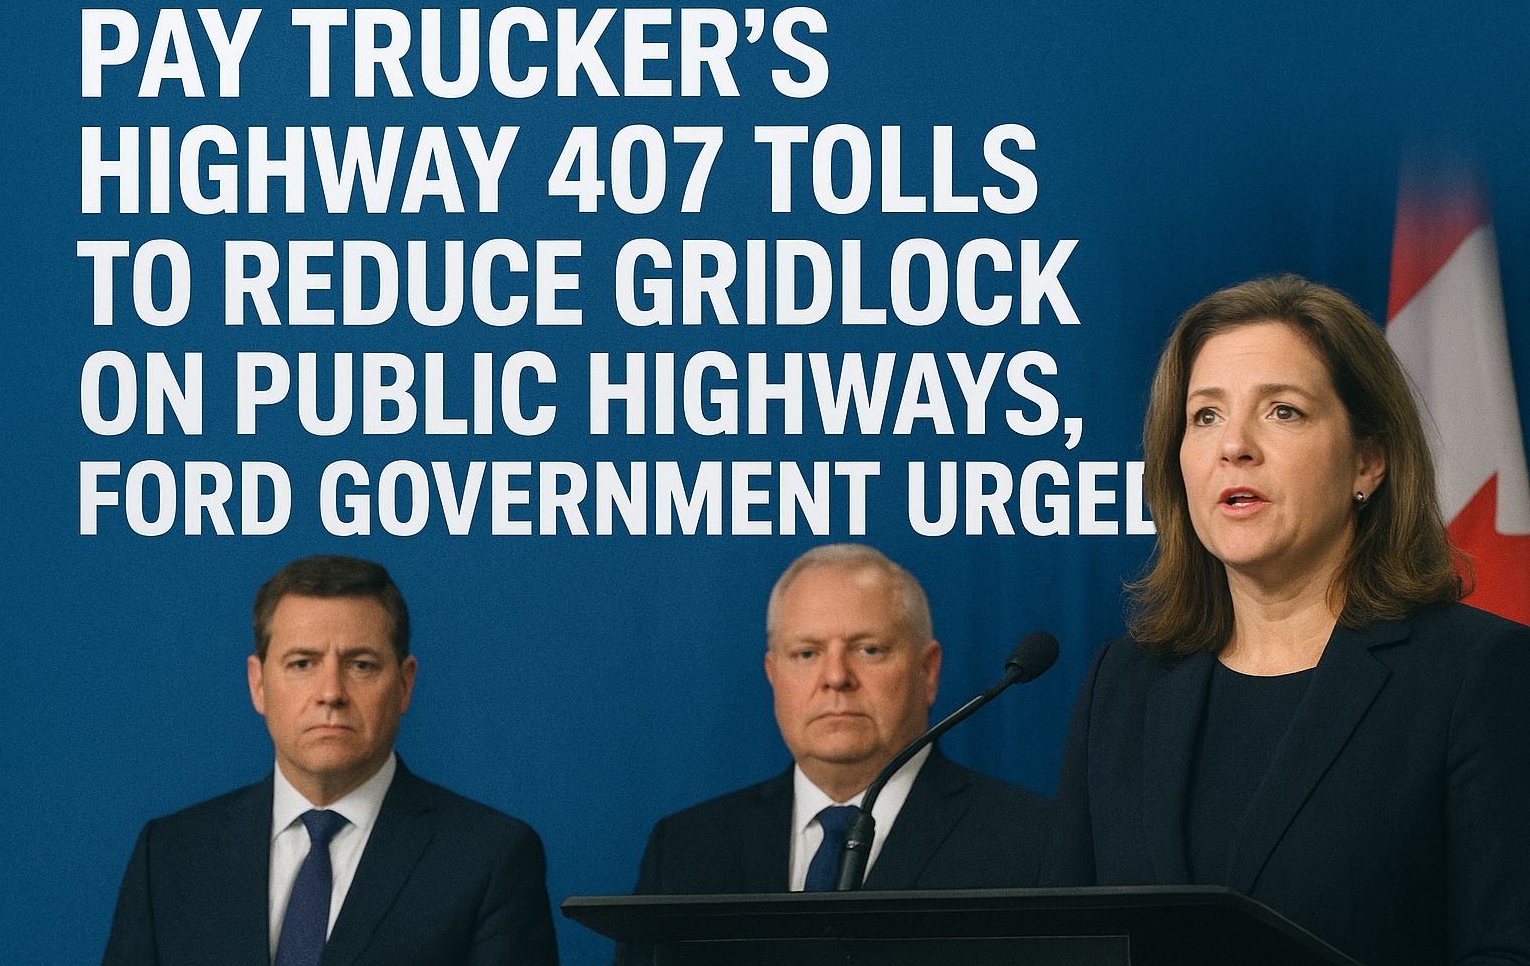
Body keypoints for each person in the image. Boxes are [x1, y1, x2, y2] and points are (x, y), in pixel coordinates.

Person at [1044, 276, 1530, 966]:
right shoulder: (1121, 687)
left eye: (1283, 412)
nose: (1233, 446)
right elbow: (1067, 947)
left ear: (1368, 460)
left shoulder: (1476, 676)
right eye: (1205, 416)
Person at [101, 555, 559, 966]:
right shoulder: (170, 854)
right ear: (258, 684)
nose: (331, 693)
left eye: (361, 665)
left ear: (404, 684)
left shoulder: (489, 857)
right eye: (303, 663)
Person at [628, 543, 1054, 897]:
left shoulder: (1033, 840)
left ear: (928, 672)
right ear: (773, 675)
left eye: (868, 649)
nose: (835, 678)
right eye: (806, 653)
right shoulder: (685, 849)